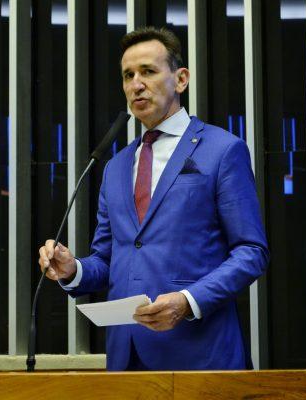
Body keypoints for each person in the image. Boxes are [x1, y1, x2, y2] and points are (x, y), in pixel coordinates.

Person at [38, 26, 268, 371]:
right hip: (126, 356)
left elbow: (251, 252)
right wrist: (73, 270)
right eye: (128, 75)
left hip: (200, 354)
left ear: (181, 79)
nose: (136, 84)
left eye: (147, 71)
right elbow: (109, 260)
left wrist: (188, 301)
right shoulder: (116, 166)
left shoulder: (223, 150)